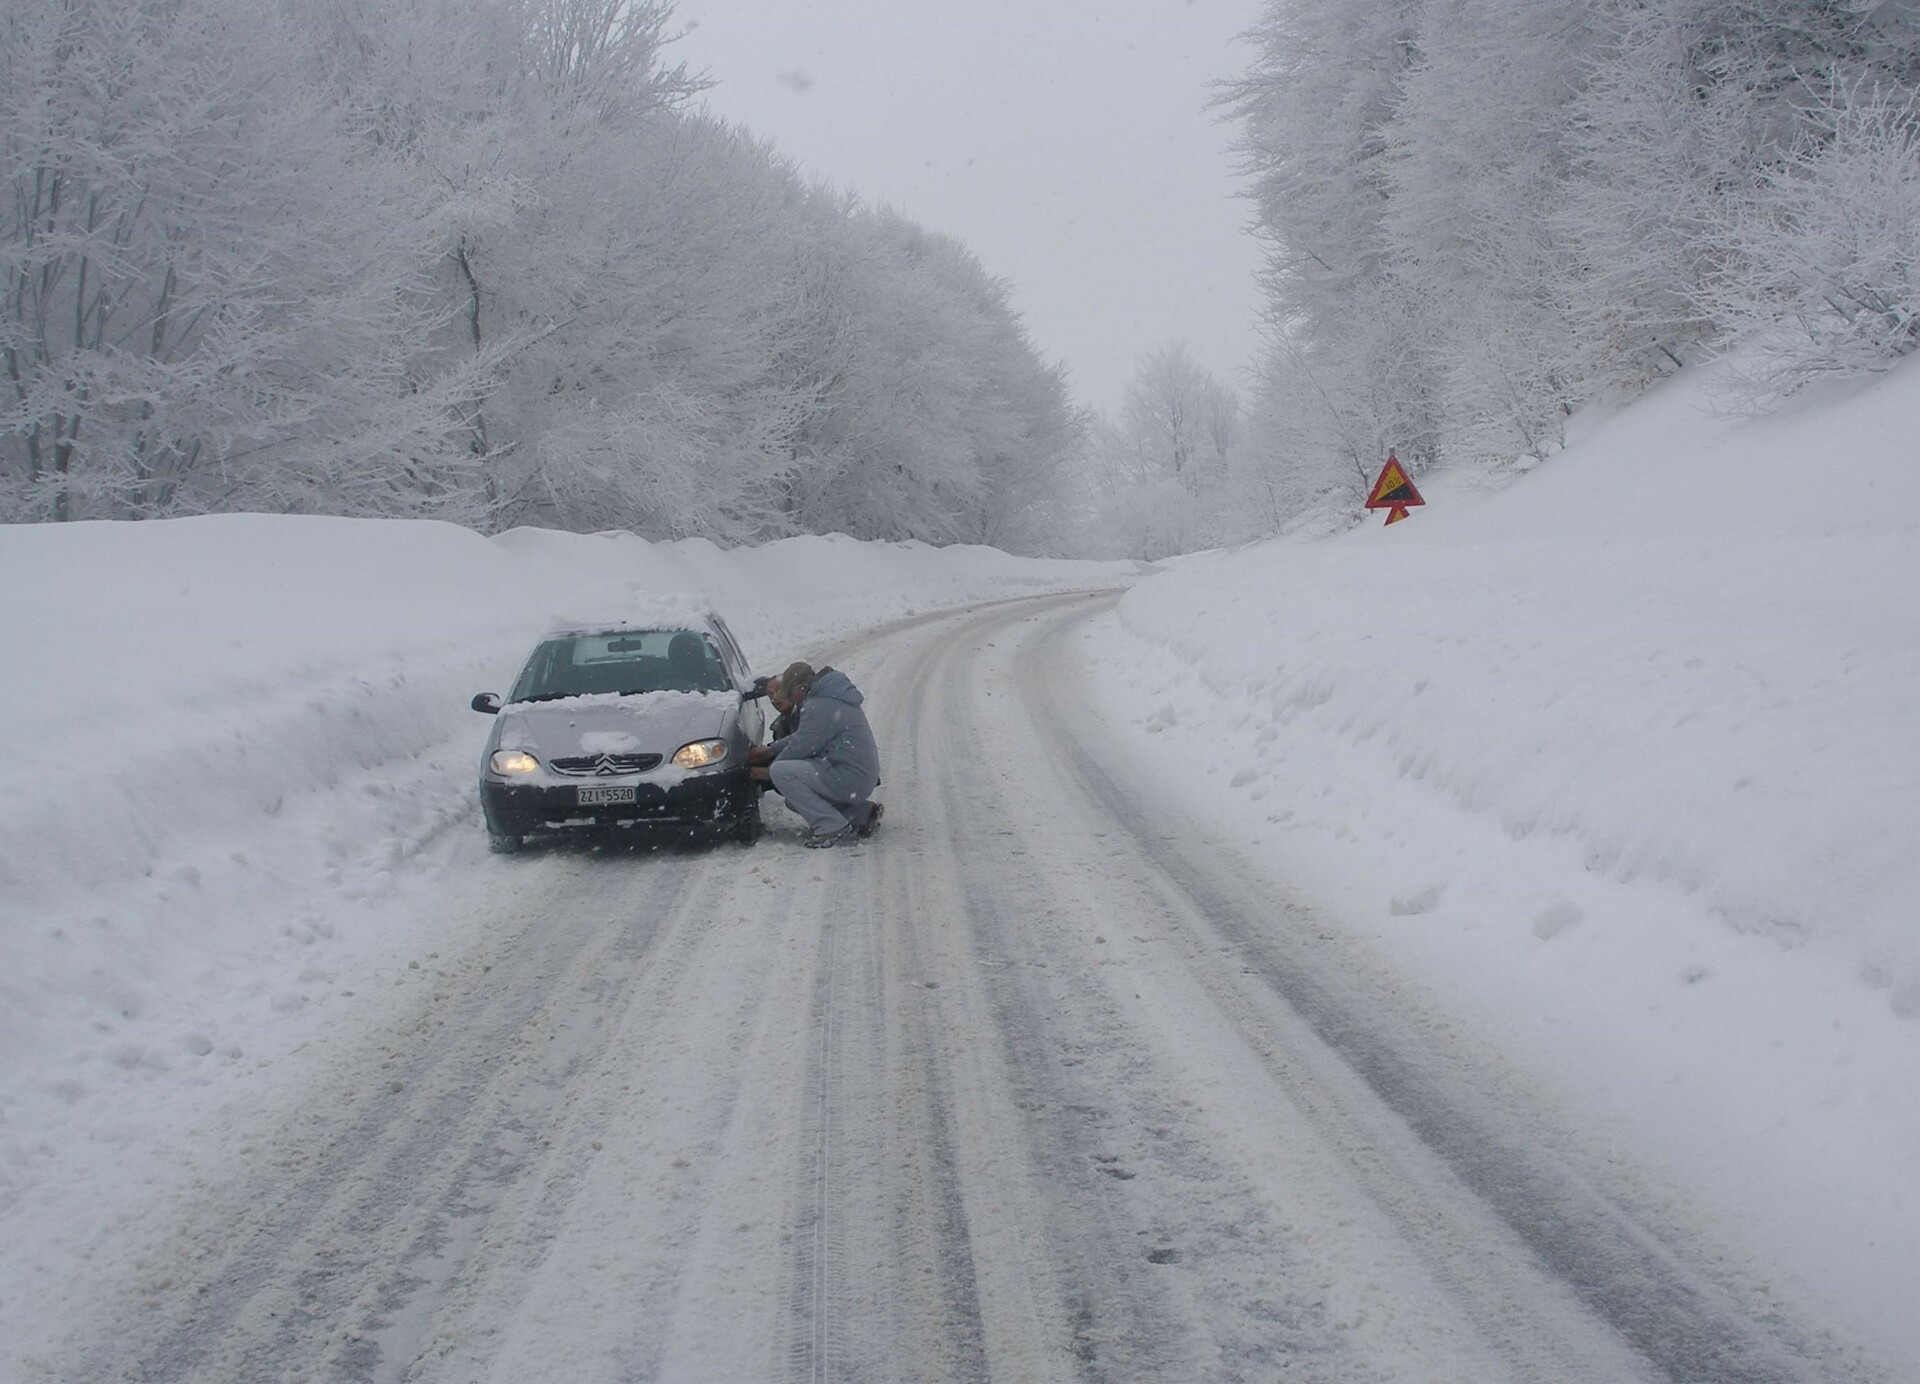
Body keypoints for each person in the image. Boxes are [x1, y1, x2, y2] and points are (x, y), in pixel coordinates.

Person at [747, 661, 882, 847]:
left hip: (851, 776)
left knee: (782, 773)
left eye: (790, 694)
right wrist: (771, 749)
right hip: (856, 774)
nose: (792, 700)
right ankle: (860, 815)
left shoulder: (819, 705)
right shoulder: (828, 697)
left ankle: (831, 827)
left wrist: (764, 772)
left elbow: (801, 748)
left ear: (801, 687)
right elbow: (804, 736)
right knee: (794, 801)